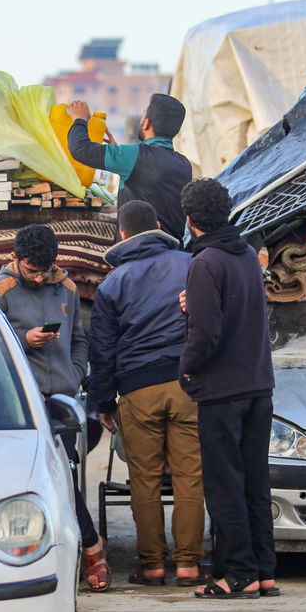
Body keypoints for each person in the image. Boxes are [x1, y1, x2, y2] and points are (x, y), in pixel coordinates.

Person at [88, 200, 205, 586]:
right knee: (190, 476)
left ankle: (152, 565)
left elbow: (102, 350)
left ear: (122, 234)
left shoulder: (112, 283)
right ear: (156, 225)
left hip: (137, 390)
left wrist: (102, 402)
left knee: (145, 479)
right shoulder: (190, 264)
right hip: (188, 384)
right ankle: (189, 565)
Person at [0, 223, 109, 591]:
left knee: (64, 476)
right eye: (32, 270)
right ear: (15, 258)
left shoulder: (67, 288)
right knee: (23, 482)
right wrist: (24, 340)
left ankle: (87, 549)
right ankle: (87, 548)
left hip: (62, 401)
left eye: (45, 270)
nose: (40, 278)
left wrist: (74, 374)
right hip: (19, 405)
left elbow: (79, 341)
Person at [176, 178, 277, 599]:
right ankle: (264, 571)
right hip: (258, 384)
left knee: (224, 484)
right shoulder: (246, 254)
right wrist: (196, 303)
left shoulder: (206, 262)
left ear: (189, 219)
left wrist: (187, 370)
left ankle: (238, 573)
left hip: (222, 390)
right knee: (255, 480)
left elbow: (206, 332)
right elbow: (239, 310)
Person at [65, 94, 194, 242]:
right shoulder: (184, 164)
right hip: (174, 250)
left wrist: (79, 120)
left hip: (139, 250)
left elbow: (80, 149)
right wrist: (118, 152)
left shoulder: (135, 155)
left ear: (146, 123)